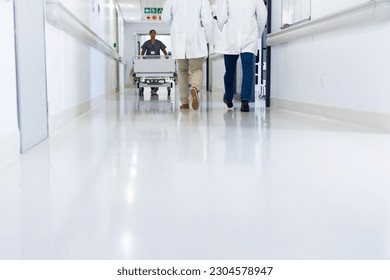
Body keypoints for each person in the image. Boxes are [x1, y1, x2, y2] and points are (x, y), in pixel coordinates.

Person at [215, 0, 267, 112]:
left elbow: (222, 17)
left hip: (231, 36)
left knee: (229, 70)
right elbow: (262, 17)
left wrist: (223, 30)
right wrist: (258, 33)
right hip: (249, 36)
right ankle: (245, 101)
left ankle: (228, 98)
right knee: (248, 70)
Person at [162, 0, 213, 110]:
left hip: (179, 39)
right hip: (195, 37)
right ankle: (194, 88)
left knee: (182, 70)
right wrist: (207, 39)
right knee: (196, 69)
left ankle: (184, 102)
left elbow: (165, 18)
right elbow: (208, 21)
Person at [141, 29, 169, 96]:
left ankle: (156, 87)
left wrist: (166, 56)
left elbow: (164, 50)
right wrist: (143, 57)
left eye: (154, 33)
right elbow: (142, 52)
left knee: (156, 74)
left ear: (155, 34)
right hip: (149, 62)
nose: (153, 34)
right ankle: (152, 88)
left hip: (157, 62)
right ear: (149, 34)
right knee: (150, 75)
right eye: (151, 33)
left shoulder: (159, 42)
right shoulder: (146, 43)